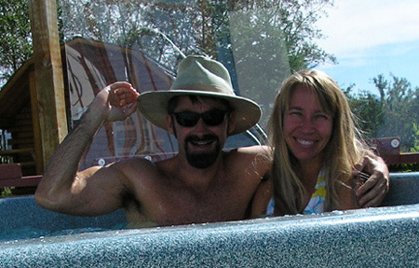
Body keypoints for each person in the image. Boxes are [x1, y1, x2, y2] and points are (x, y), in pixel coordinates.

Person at [35, 56, 388, 227]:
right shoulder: (138, 178)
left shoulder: (255, 165)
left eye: (212, 117)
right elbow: (51, 195)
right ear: (172, 123)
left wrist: (373, 163)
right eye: (188, 118)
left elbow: (312, 142)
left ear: (229, 122)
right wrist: (93, 118)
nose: (200, 128)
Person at [251, 69, 389, 217]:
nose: (307, 127)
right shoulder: (266, 190)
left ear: (336, 125)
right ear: (281, 119)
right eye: (297, 114)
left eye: (320, 116)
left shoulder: (347, 183)